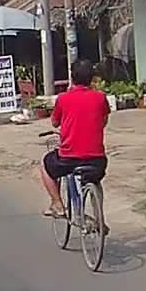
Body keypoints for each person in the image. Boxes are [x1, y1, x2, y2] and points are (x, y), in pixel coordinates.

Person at [40, 59, 109, 221]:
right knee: (95, 180)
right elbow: (104, 121)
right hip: (97, 159)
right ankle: (100, 218)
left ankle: (57, 204)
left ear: (72, 77)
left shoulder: (63, 98)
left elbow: (55, 122)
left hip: (68, 158)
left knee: (44, 165)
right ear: (92, 78)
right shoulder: (100, 97)